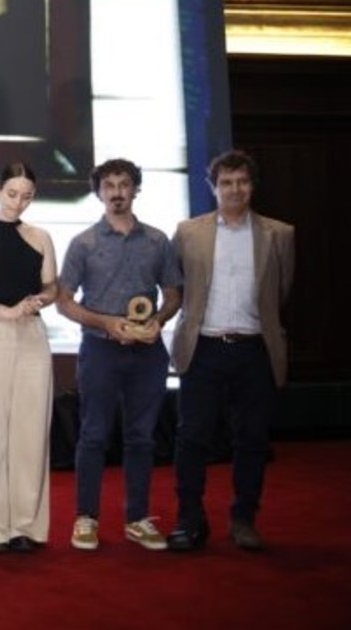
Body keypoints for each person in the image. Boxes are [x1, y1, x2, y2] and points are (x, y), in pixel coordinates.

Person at [166, 150, 294, 552]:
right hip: (203, 348)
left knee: (252, 439)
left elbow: (281, 291)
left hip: (255, 349)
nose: (235, 189)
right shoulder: (188, 233)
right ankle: (190, 519)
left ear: (252, 185)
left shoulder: (280, 234)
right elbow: (177, 286)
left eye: (242, 181)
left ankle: (243, 519)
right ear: (213, 187)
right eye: (226, 182)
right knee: (192, 437)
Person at [56, 158, 182, 552]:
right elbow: (63, 301)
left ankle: (137, 519)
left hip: (148, 353)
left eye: (124, 184)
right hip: (100, 350)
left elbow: (173, 294)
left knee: (141, 438)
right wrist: (105, 323)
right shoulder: (83, 244)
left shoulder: (158, 241)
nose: (116, 192)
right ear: (98, 193)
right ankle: (86, 519)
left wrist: (158, 320)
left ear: (135, 189)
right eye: (108, 185)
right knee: (93, 434)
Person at [0, 162, 58, 553]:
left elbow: (52, 287)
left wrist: (39, 301)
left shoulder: (40, 237)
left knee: (31, 432)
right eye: (12, 193)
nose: (19, 202)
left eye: (27, 196)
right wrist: (7, 312)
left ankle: (25, 525)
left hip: (32, 336)